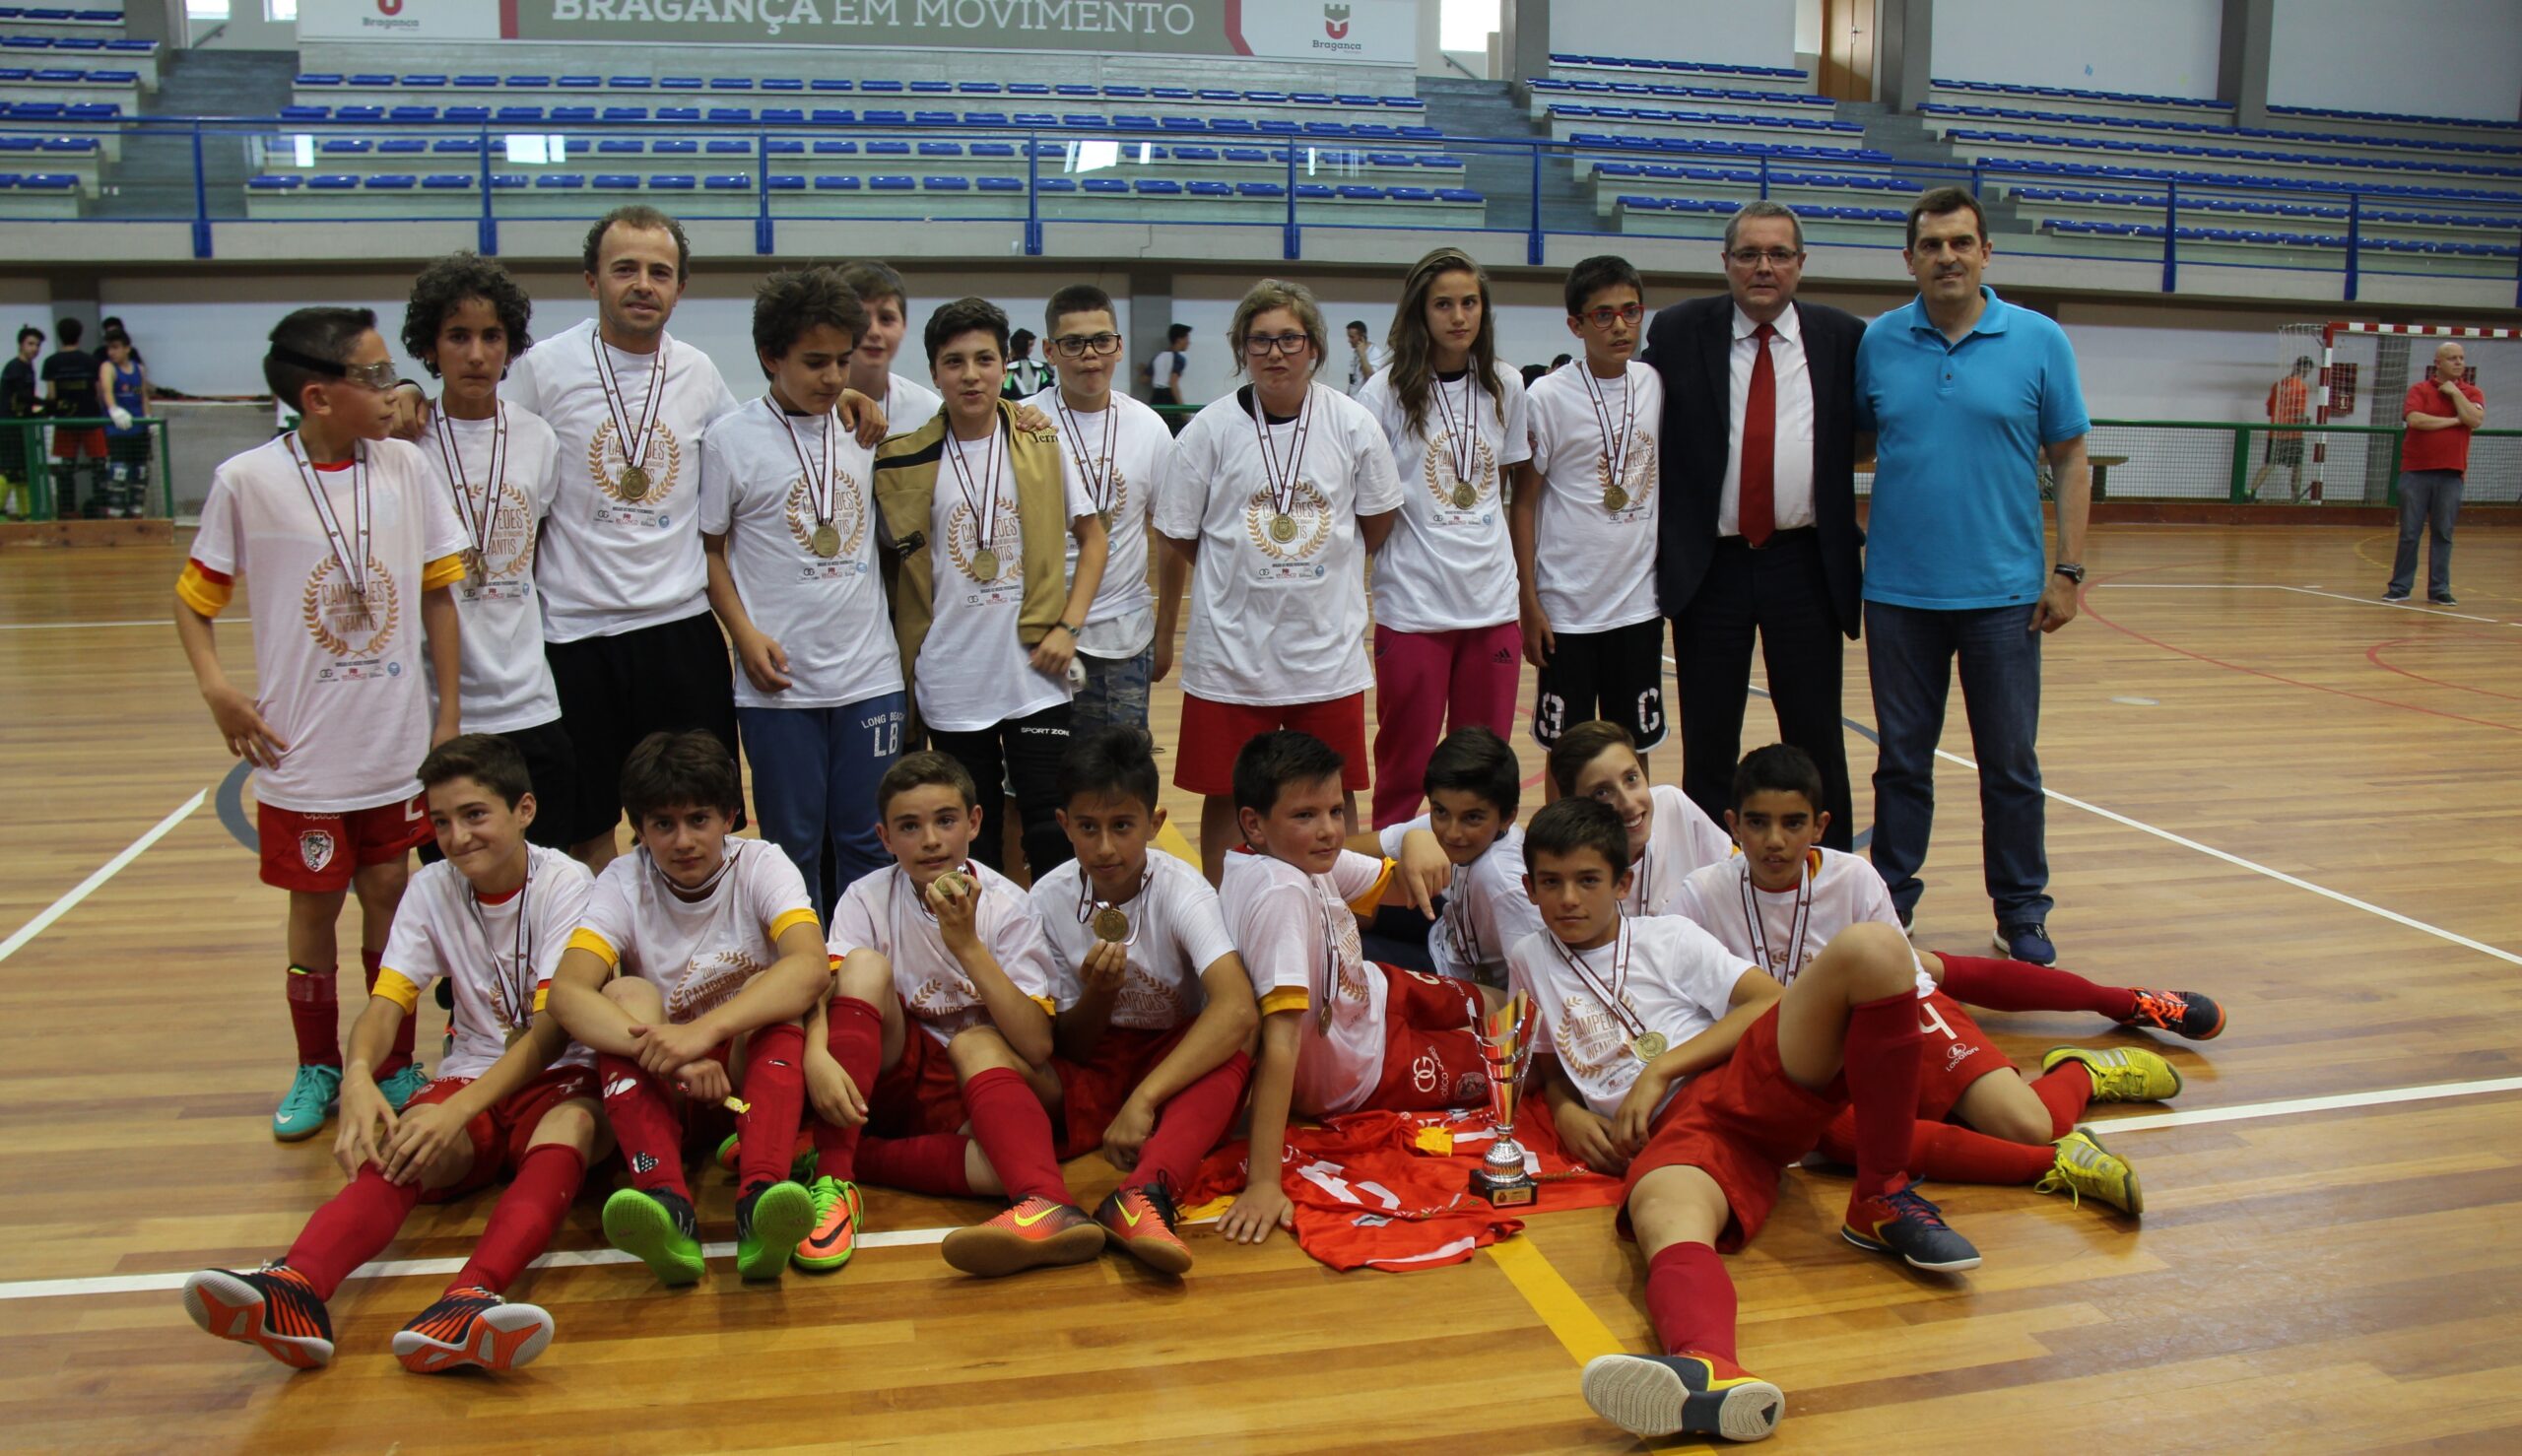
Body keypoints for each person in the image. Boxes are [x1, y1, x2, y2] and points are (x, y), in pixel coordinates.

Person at [1507, 797, 1980, 1443]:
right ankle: (1710, 1368)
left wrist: (1662, 1068)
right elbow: (1546, 1061)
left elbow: (1767, 1002)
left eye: (1588, 880)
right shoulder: (1529, 958)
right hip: (1682, 1140)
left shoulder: (1664, 936)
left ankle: (1882, 1193)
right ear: (1528, 887)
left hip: (1737, 1083)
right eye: (1551, 883)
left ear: (1622, 883)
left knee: (1874, 949)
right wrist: (1564, 1112)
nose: (1568, 899)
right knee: (1660, 1218)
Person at [179, 735, 604, 1374]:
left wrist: (455, 1110)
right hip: (470, 1077)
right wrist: (357, 1078)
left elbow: (547, 1036)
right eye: (440, 822)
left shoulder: (568, 882)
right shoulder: (431, 887)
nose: (456, 837)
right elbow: (386, 1005)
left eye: (474, 815)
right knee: (402, 1143)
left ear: (524, 810)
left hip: (560, 1075)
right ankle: (296, 1287)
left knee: (569, 1124)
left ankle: (470, 1298)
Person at [1670, 745, 2209, 1217]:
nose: (1774, 840)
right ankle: (2055, 1164)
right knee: (1843, 1137)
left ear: (1820, 825)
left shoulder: (1853, 877)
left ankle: (2081, 1072)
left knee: (2026, 1122)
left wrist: (1894, 1075)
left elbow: (1907, 987)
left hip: (1888, 1028)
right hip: (1792, 1061)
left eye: (1792, 823)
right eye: (1758, 822)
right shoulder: (1698, 894)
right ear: (1733, 825)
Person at [176, 306, 467, 1141]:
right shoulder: (247, 481)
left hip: (394, 745)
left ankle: (394, 1060)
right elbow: (193, 603)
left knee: (390, 900)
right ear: (317, 395)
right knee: (313, 912)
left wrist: (446, 714)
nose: (393, 389)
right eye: (374, 376)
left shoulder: (407, 469)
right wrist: (218, 692)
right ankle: (317, 1065)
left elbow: (437, 596)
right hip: (302, 755)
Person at [1857, 186, 2091, 965]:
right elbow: (1852, 445)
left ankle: (2021, 912)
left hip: (2005, 597)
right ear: (1911, 259)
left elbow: (2070, 457)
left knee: (2011, 765)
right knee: (1902, 762)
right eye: (1932, 245)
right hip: (1898, 594)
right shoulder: (1879, 343)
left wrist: (2068, 570)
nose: (1947, 257)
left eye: (1961, 243)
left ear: (1986, 252)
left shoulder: (2039, 339)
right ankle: (1892, 900)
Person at [800, 751, 1107, 1278]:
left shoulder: (1010, 906)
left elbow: (1037, 1047)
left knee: (976, 1055)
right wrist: (813, 1057)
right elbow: (823, 998)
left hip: (994, 1080)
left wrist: (967, 946)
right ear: (884, 837)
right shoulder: (865, 898)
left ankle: (1042, 1201)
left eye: (945, 820)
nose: (931, 840)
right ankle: (834, 1175)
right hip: (901, 1079)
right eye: (909, 826)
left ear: (974, 822)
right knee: (864, 966)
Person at [543, 730, 830, 1288]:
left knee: (778, 992)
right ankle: (666, 1204)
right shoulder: (623, 879)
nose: (683, 841)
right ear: (639, 831)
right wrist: (671, 1053)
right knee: (622, 998)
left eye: (698, 819)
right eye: (663, 825)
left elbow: (810, 967)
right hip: (666, 1081)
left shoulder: (762, 863)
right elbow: (567, 994)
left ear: (730, 817)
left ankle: (760, 1197)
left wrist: (703, 1032)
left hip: (747, 1077)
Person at [1152, 279, 1402, 881]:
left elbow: (1378, 517)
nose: (1275, 352)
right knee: (1225, 792)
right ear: (1242, 349)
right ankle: (1221, 915)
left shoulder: (1352, 423)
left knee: (1331, 793)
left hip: (1324, 649)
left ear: (1313, 346)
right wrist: (1239, 569)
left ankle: (1335, 912)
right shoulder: (1209, 430)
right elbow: (1179, 532)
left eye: (1289, 338)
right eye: (1259, 340)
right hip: (1233, 651)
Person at [1215, 730, 1495, 1247]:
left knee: (1494, 1003)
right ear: (1254, 823)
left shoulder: (1291, 855)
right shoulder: (1280, 897)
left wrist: (1415, 838)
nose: (1327, 831)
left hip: (1375, 991)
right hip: (1364, 1070)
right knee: (1512, 1063)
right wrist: (1262, 1181)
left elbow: (1394, 884)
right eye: (1306, 815)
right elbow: (1280, 1041)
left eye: (1335, 812)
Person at [1643, 203, 1866, 850]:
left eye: (1778, 254)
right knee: (1710, 737)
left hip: (1806, 564)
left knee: (1816, 734)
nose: (1763, 267)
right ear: (1726, 262)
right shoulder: (1683, 331)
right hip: (1710, 567)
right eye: (1749, 254)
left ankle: (1832, 877)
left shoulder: (1843, 339)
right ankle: (1710, 886)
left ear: (1801, 263)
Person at [872, 297, 1109, 881]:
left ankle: (1056, 954)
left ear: (1005, 364)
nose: (970, 374)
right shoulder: (903, 460)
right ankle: (978, 956)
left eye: (984, 359)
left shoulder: (1041, 442)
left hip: (1035, 673)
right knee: (969, 838)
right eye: (954, 362)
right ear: (934, 373)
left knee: (1052, 829)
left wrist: (1068, 626)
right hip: (951, 678)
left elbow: (1094, 538)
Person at [701, 267, 904, 920]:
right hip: (778, 683)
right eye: (814, 362)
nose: (832, 377)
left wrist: (858, 398)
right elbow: (708, 552)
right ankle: (801, 983)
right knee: (789, 849)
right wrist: (743, 634)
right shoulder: (729, 440)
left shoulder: (863, 427)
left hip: (870, 675)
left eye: (842, 361)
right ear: (770, 356)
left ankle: (860, 979)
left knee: (869, 844)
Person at [1026, 726, 1261, 1272]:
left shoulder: (1184, 889)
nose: (1105, 846)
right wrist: (1099, 997)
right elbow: (1070, 1045)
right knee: (1006, 1054)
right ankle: (1026, 1193)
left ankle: (1143, 1194)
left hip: (1171, 1059)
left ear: (1154, 824)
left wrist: (1145, 1098)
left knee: (1248, 1032)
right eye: (1088, 827)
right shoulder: (1044, 900)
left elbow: (1235, 1008)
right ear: (1064, 825)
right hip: (1097, 1062)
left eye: (1123, 826)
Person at [401, 251, 583, 855]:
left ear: (511, 345)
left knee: (549, 864)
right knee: (452, 871)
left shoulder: (538, 438)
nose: (476, 354)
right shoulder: (405, 442)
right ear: (430, 348)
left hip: (532, 697)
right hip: (442, 707)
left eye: (491, 336)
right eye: (457, 337)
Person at [1357, 246, 1530, 828]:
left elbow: (1500, 490)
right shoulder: (1381, 393)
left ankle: (1479, 894)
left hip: (1491, 605)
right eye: (1444, 304)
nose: (1459, 316)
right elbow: (1369, 503)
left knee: (1483, 769)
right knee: (1405, 766)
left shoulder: (1506, 383)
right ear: (1419, 312)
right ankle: (1392, 897)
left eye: (1470, 303)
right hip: (1414, 607)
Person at [1515, 254, 1665, 759]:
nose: (1620, 326)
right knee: (1568, 754)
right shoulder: (1546, 397)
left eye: (1631, 311)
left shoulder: (1654, 385)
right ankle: (1560, 843)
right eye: (1603, 315)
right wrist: (1529, 600)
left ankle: (1634, 842)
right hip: (1567, 611)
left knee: (1631, 748)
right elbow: (1525, 503)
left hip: (1638, 607)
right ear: (1576, 324)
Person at [1023, 283, 1176, 736]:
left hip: (1123, 636)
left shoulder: (1149, 427)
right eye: (1073, 343)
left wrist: (1165, 635)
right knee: (1034, 787)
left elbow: (1170, 541)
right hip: (1036, 634)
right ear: (1050, 351)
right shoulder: (1022, 423)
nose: (1090, 354)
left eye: (1102, 340)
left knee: (1119, 782)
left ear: (1119, 347)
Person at [1371, 725, 1541, 990]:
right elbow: (1356, 851)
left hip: (1457, 980)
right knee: (1352, 894)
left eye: (1472, 818)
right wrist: (1409, 840)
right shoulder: (1462, 820)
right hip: (1446, 932)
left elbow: (1535, 986)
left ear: (1508, 816)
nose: (1452, 832)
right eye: (1440, 811)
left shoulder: (1503, 883)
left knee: (1345, 956)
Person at [1546, 720, 1731, 918]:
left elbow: (1733, 870)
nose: (1629, 804)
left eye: (1631, 778)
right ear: (1572, 804)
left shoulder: (1672, 805)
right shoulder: (1562, 867)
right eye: (1602, 793)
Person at [2385, 340, 2485, 606]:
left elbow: (2474, 420)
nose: (2459, 363)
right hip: (2415, 473)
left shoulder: (2472, 392)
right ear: (2438, 363)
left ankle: (2439, 588)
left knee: (2443, 533)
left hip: (2451, 475)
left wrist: (2455, 394)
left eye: (2461, 358)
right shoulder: (2419, 390)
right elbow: (2416, 420)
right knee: (2409, 532)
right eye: (2452, 358)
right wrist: (2455, 420)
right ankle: (2400, 586)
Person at [835, 259, 944, 434]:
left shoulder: (929, 411)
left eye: (886, 319)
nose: (874, 332)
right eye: (861, 318)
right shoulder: (811, 407)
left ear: (904, 326)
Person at [42, 316, 101, 519]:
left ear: (59, 336)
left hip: (65, 421)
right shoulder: (91, 362)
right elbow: (98, 393)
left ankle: (68, 511)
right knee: (99, 466)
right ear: (79, 335)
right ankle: (102, 511)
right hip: (91, 419)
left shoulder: (50, 362)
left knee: (66, 468)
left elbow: (51, 395)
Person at [97, 327, 150, 518]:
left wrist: (148, 419)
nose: (112, 352)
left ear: (127, 348)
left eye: (116, 347)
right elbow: (107, 392)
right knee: (119, 472)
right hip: (118, 429)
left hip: (138, 429)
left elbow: (143, 396)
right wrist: (114, 410)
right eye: (109, 348)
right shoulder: (108, 367)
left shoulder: (139, 369)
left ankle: (137, 512)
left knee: (140, 472)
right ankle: (116, 514)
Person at [2248, 355, 2314, 501]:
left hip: (2275, 433)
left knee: (2269, 464)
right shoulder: (2301, 387)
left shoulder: (2277, 385)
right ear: (2304, 369)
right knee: (2297, 466)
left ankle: (2250, 492)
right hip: (2293, 434)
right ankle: (2294, 498)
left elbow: (2269, 411)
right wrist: (2306, 420)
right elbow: (2299, 415)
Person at [1, 324, 39, 520]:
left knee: (23, 472)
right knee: (8, 470)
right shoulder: (15, 367)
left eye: (37, 345)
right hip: (10, 426)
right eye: (30, 344)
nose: (34, 348)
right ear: (21, 345)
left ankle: (27, 513)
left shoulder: (28, 368)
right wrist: (45, 404)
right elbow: (22, 396)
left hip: (21, 425)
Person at [1000, 327, 1052, 400]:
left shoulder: (1007, 369)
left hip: (1014, 409)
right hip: (1038, 408)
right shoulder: (1040, 368)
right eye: (1031, 345)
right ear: (1024, 345)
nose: (1032, 349)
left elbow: (1004, 392)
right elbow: (1050, 388)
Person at [1147, 322, 1191, 406]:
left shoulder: (1158, 357)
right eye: (1186, 338)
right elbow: (1173, 383)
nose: (1188, 342)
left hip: (1155, 397)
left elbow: (1144, 379)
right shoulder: (1178, 359)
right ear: (1179, 340)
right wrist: (1182, 409)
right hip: (1169, 397)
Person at [1343, 318, 1375, 395]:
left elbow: (1371, 377)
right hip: (1353, 399)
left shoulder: (1374, 353)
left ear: (1362, 337)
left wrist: (1362, 355)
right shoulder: (1356, 352)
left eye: (1352, 337)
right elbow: (1353, 379)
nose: (1349, 340)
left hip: (1364, 401)